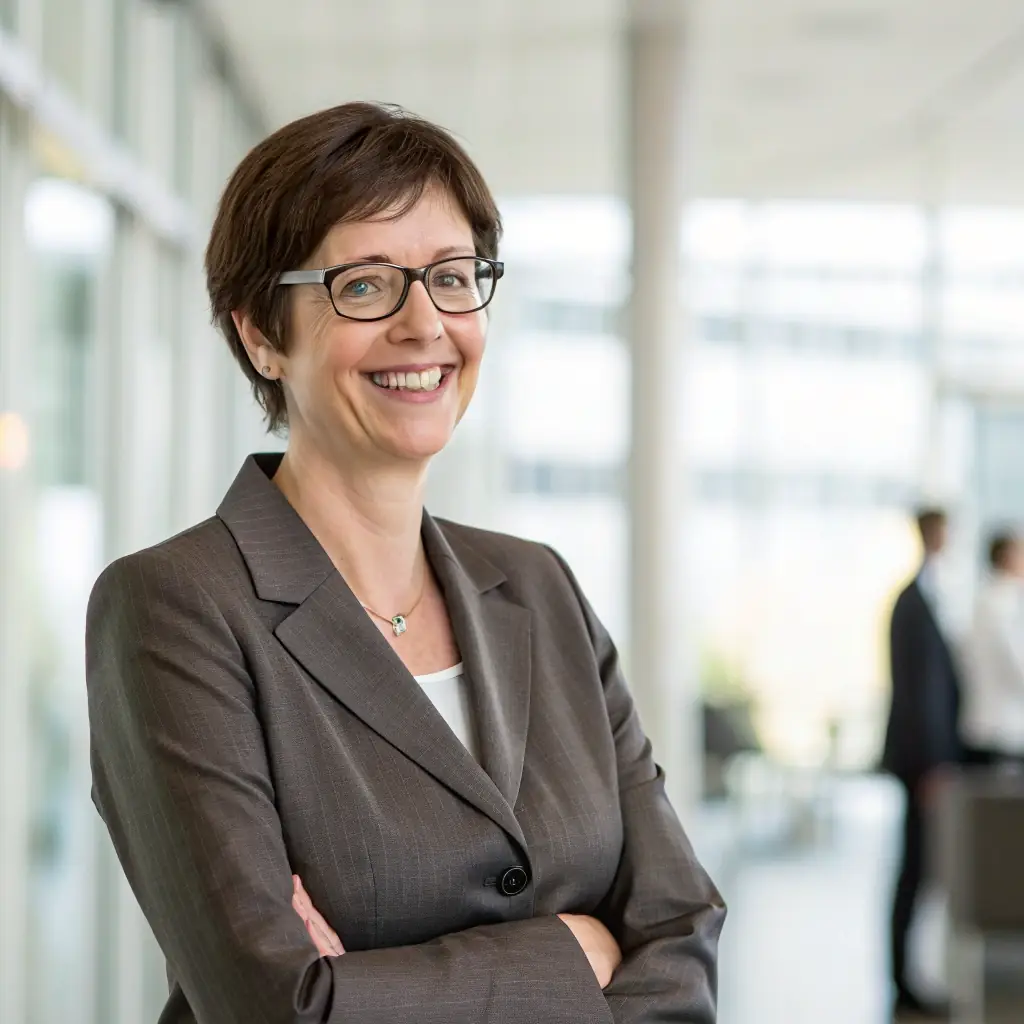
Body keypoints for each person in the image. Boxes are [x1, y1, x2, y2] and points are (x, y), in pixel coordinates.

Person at [85, 102, 724, 1024]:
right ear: (261, 333)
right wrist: (570, 952)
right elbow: (278, 1007)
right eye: (367, 284)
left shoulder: (540, 588)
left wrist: (377, 988)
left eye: (453, 277)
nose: (425, 324)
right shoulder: (175, 606)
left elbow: (682, 925)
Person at [881, 507, 963, 1021]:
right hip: (920, 762)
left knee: (918, 869)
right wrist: (934, 763)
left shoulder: (924, 599)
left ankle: (908, 975)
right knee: (913, 871)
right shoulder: (912, 603)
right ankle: (902, 979)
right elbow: (920, 695)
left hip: (924, 760)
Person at [961, 531, 1024, 769]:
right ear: (1007, 557)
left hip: (985, 724)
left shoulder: (983, 601)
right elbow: (1017, 665)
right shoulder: (1004, 603)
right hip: (1004, 730)